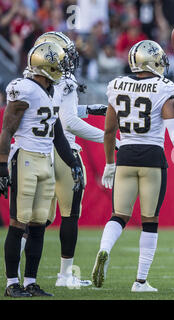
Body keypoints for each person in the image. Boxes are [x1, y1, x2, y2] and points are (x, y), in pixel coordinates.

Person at [17, 31, 120, 289]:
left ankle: (14, 274)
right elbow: (69, 123)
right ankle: (65, 275)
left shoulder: (29, 80)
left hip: (36, 152)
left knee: (37, 219)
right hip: (63, 152)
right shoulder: (66, 79)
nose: (69, 59)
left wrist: (88, 110)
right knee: (70, 215)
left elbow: (59, 114)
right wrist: (110, 139)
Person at [92, 40, 174, 292]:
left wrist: (108, 163)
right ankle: (140, 281)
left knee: (119, 215)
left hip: (125, 155)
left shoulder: (116, 85)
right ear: (152, 62)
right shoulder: (163, 87)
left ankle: (104, 249)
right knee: (150, 221)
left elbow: (108, 130)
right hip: (152, 157)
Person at [0, 41, 84, 297]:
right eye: (57, 63)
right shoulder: (23, 88)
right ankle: (11, 283)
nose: (62, 67)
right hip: (24, 157)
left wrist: (72, 163)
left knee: (37, 225)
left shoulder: (48, 90)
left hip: (45, 159)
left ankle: (30, 282)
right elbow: (7, 129)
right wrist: (2, 165)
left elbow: (58, 134)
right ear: (45, 65)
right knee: (18, 224)